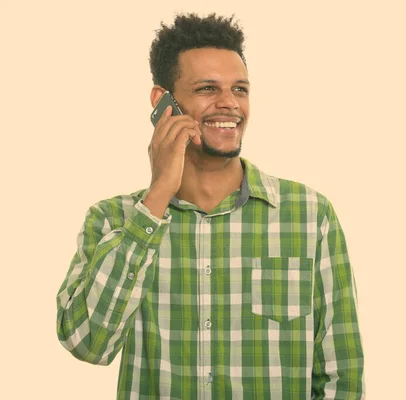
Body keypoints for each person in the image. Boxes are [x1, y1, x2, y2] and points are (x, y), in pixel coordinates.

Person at [56, 12, 365, 399]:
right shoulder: (113, 221)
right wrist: (156, 199)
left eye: (240, 89)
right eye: (206, 89)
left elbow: (342, 375)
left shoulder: (309, 216)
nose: (228, 104)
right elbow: (88, 344)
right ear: (162, 101)